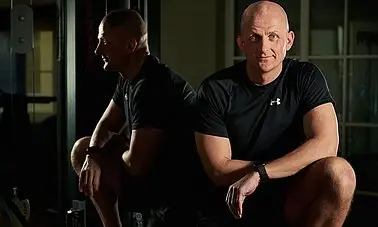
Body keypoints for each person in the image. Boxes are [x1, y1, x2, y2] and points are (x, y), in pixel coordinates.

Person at [194, 1, 356, 226]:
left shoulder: (304, 77)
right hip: (238, 198)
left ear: (288, 41)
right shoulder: (216, 89)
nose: (263, 48)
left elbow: (327, 143)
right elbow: (219, 169)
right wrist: (268, 172)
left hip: (293, 192)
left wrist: (261, 173)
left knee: (341, 173)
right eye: (254, 38)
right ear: (241, 42)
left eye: (273, 37)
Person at [70, 9, 200, 227]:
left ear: (130, 46)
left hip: (175, 191)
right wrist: (94, 155)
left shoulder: (153, 86)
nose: (97, 49)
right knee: (84, 150)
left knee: (91, 152)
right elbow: (106, 124)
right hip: (151, 175)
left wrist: (110, 150)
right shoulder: (129, 77)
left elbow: (136, 165)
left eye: (104, 41)